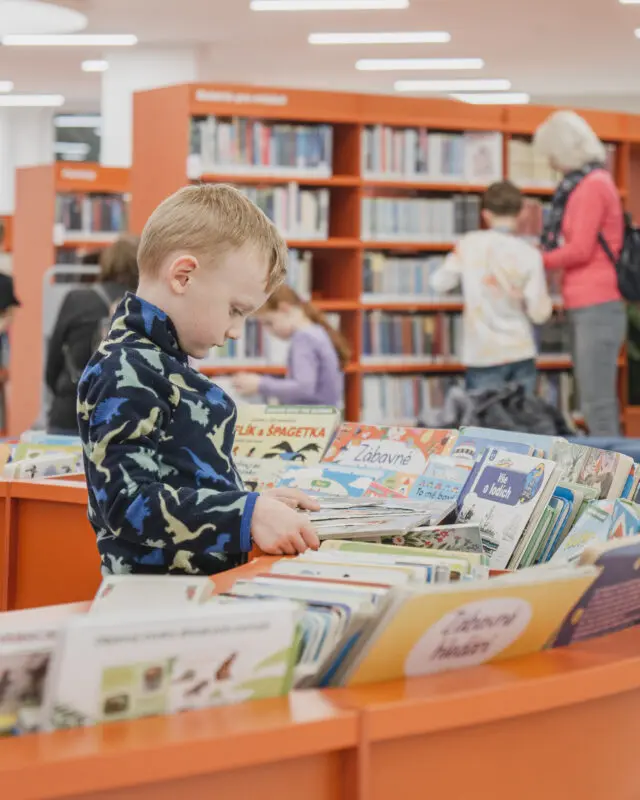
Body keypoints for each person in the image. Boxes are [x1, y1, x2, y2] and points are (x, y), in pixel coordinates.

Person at [77, 184, 320, 577]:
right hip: (156, 605)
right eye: (235, 310)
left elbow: (178, 479)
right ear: (184, 277)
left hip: (193, 593)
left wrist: (248, 503)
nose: (237, 331)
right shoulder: (126, 369)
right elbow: (128, 502)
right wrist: (243, 513)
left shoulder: (164, 364)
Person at [534, 110, 626, 437]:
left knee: (597, 401)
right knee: (591, 397)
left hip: (597, 304)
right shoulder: (586, 183)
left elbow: (580, 249)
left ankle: (618, 478)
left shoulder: (592, 186)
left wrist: (534, 260)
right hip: (584, 302)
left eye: (553, 156)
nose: (552, 164)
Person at [430, 180, 552, 394]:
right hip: (520, 350)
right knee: (522, 420)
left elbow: (439, 283)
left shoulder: (469, 244)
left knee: (483, 423)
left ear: (485, 214)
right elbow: (539, 313)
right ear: (522, 213)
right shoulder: (530, 254)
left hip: (482, 353)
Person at [45, 235, 140, 435]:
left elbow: (52, 365)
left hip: (70, 411)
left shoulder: (77, 298)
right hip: (124, 417)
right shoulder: (145, 304)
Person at [231, 285, 348, 406]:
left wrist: (259, 384)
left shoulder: (304, 338)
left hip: (313, 418)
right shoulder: (316, 331)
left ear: (284, 309)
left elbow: (304, 387)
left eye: (269, 323)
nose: (268, 331)